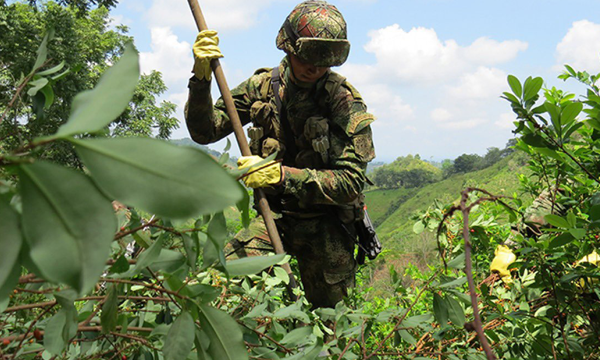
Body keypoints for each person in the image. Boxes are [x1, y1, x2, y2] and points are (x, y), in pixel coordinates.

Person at [185, 0, 376, 309]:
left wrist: (281, 175)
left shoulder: (343, 102)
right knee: (224, 287)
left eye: (325, 61)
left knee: (335, 325)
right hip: (275, 218)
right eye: (308, 59)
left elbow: (351, 182)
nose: (316, 68)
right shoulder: (261, 87)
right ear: (288, 48)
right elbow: (205, 130)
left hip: (327, 227)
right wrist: (201, 81)